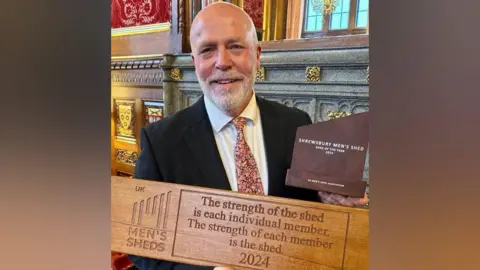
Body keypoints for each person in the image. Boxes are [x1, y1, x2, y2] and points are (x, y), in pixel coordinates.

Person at [128, 2, 368, 270]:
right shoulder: (161, 142)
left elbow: (311, 216)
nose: (222, 62)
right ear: (195, 63)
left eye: (235, 47)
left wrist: (331, 201)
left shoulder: (296, 124)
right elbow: (141, 247)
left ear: (257, 55)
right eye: (208, 50)